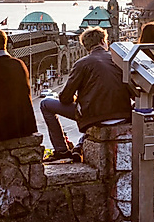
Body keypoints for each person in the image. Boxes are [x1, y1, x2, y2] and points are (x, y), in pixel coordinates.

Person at [41, 26, 134, 162]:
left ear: (86, 46)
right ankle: (78, 148)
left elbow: (65, 98)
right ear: (103, 41)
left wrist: (77, 98)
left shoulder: (82, 64)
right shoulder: (119, 61)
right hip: (123, 116)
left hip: (94, 117)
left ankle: (61, 151)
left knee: (45, 104)